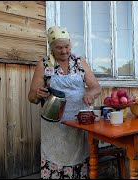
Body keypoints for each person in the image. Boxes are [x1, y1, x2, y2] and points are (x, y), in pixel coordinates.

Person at [28, 26, 102, 179]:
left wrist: (89, 92)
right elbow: (31, 97)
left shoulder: (79, 62)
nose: (64, 51)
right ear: (51, 48)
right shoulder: (44, 65)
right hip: (54, 125)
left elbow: (96, 87)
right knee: (56, 160)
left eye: (67, 47)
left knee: (79, 160)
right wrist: (37, 94)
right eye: (59, 48)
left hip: (78, 122)